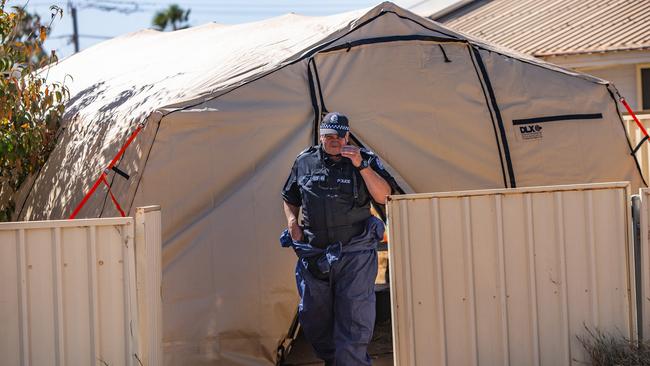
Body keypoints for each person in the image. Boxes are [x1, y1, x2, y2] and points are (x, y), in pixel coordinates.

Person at [280, 112, 399, 365]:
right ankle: (336, 361)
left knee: (354, 321)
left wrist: (361, 166)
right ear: (321, 137)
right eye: (329, 136)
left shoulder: (364, 159)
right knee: (313, 318)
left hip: (354, 254)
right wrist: (292, 222)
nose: (335, 141)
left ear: (348, 136)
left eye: (340, 135)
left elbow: (383, 196)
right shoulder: (304, 161)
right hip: (315, 254)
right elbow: (290, 197)